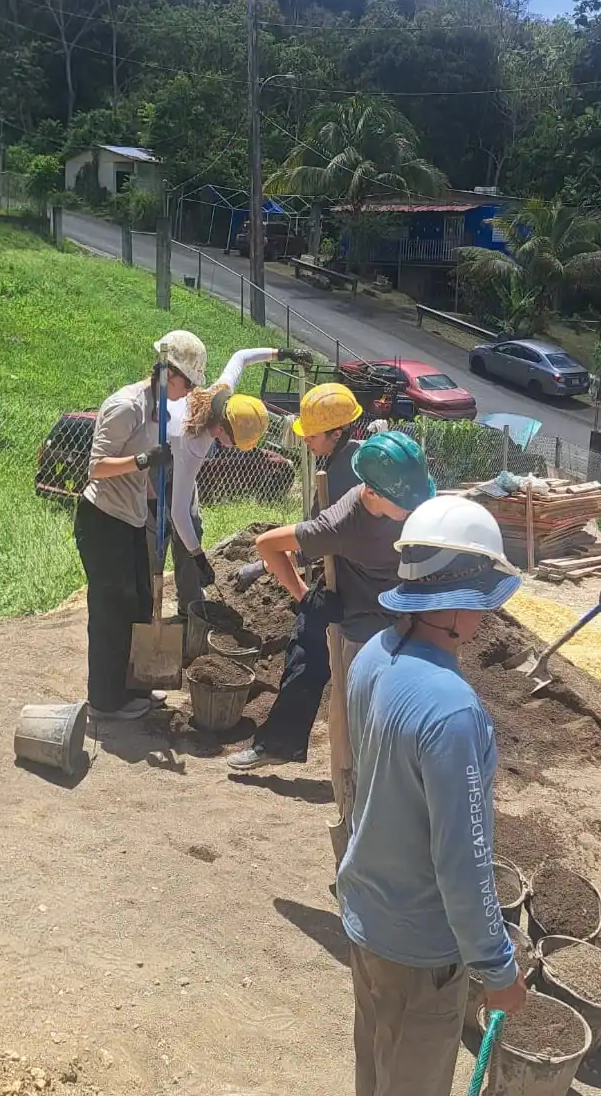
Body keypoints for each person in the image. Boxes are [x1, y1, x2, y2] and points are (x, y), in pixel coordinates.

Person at [339, 495, 528, 1096]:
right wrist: (496, 967)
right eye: (483, 600)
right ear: (455, 603)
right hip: (424, 949)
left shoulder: (372, 657)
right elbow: (464, 864)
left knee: (376, 1068)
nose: (487, 615)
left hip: (367, 916)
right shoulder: (452, 711)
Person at [232, 431, 435, 860]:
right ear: (374, 493)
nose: (414, 509)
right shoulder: (342, 523)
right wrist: (305, 596)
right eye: (405, 503)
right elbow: (267, 545)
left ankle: (400, 815)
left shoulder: (409, 501)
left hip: (407, 627)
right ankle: (357, 821)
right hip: (362, 643)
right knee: (354, 738)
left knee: (404, 732)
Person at [226, 382, 369, 773]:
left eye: (313, 434)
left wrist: (270, 566)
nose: (306, 440)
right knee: (308, 655)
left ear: (337, 431)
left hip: (355, 586)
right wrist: (266, 566)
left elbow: (316, 540)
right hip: (345, 578)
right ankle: (281, 743)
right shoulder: (345, 460)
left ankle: (290, 746)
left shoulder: (344, 476)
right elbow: (314, 536)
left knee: (314, 661)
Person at [74, 330, 206, 723]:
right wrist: (143, 461)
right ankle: (104, 702)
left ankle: (134, 685)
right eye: (188, 383)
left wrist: (158, 504)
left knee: (139, 604)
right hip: (103, 521)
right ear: (169, 372)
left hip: (131, 517)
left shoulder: (158, 409)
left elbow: (147, 475)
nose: (189, 392)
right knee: (111, 610)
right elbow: (96, 468)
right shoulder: (126, 406)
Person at [161, 344, 314, 598]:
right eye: (236, 442)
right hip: (156, 462)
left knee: (192, 527)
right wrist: (199, 557)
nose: (235, 447)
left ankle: (189, 599)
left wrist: (282, 353)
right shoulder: (194, 444)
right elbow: (178, 511)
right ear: (222, 429)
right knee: (161, 531)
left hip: (177, 455)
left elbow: (241, 357)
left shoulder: (221, 397)